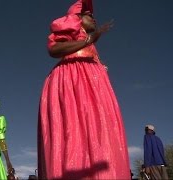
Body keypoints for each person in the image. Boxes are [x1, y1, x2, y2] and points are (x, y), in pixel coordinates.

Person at [37, 0, 131, 179]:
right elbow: (54, 49)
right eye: (90, 16)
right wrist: (88, 40)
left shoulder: (91, 44)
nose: (94, 19)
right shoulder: (72, 34)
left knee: (100, 129)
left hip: (93, 84)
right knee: (73, 129)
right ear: (77, 18)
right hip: (72, 80)